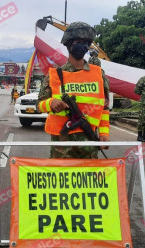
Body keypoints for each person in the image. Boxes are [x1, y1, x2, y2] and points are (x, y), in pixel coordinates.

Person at [36, 22, 110, 159]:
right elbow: (39, 105)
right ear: (69, 44)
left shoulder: (98, 74)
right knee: (61, 179)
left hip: (89, 140)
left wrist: (104, 134)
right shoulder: (55, 75)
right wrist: (51, 102)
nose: (81, 45)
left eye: (85, 42)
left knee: (88, 178)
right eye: (77, 41)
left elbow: (104, 107)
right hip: (62, 144)